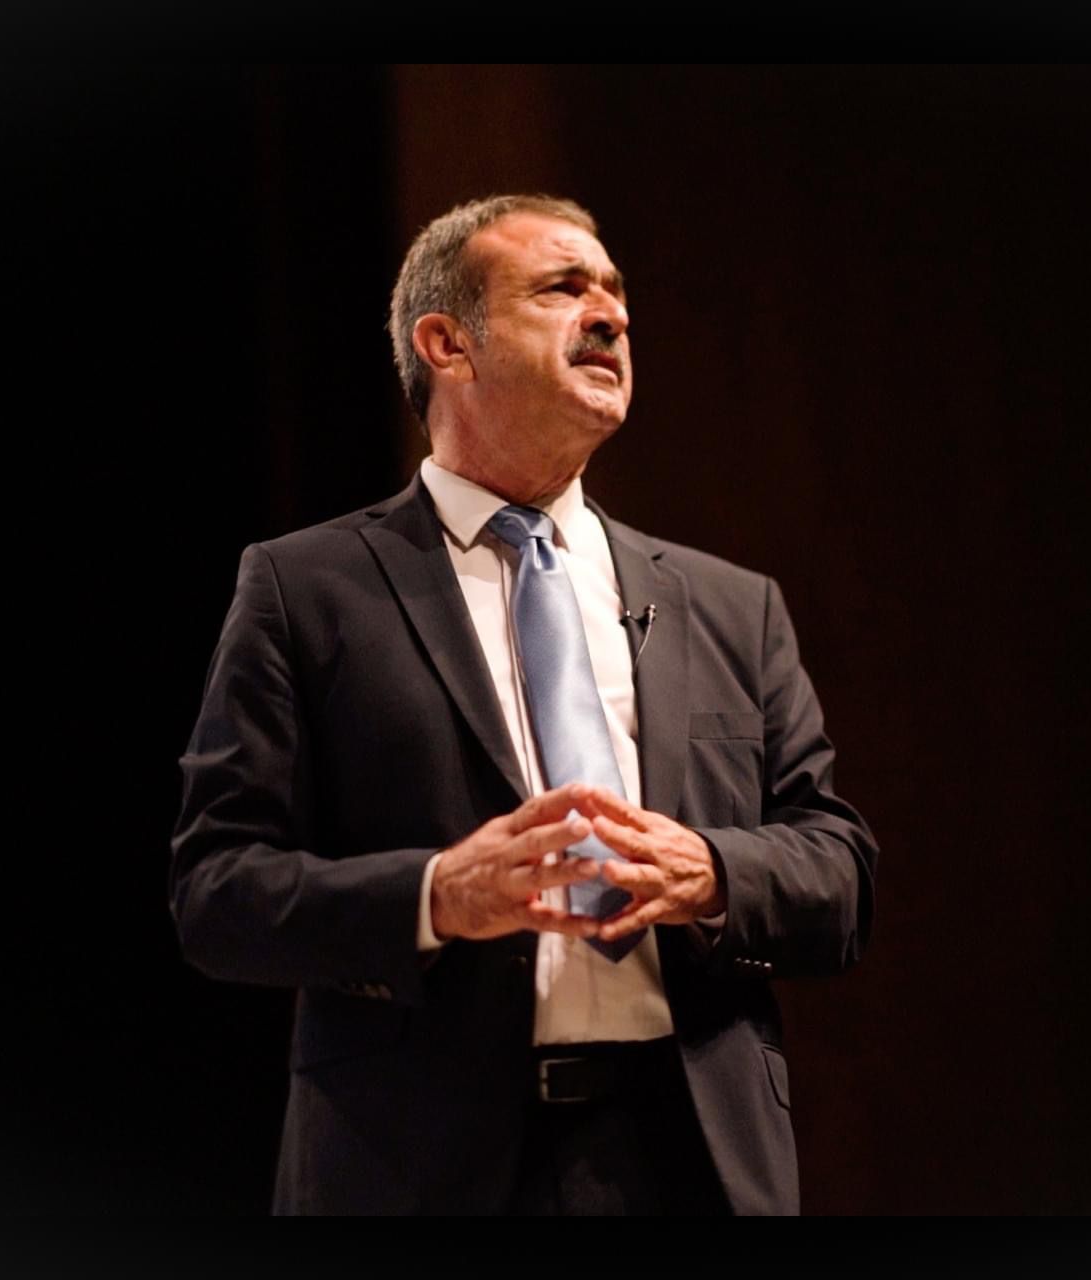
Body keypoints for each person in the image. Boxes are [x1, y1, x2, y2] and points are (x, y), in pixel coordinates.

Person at [169, 193, 876, 1215]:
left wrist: (713, 870)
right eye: (562, 287)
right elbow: (217, 891)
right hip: (420, 1165)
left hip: (689, 1159)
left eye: (616, 293)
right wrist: (435, 895)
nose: (611, 315)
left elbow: (839, 870)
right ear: (447, 343)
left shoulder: (728, 604)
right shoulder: (306, 590)